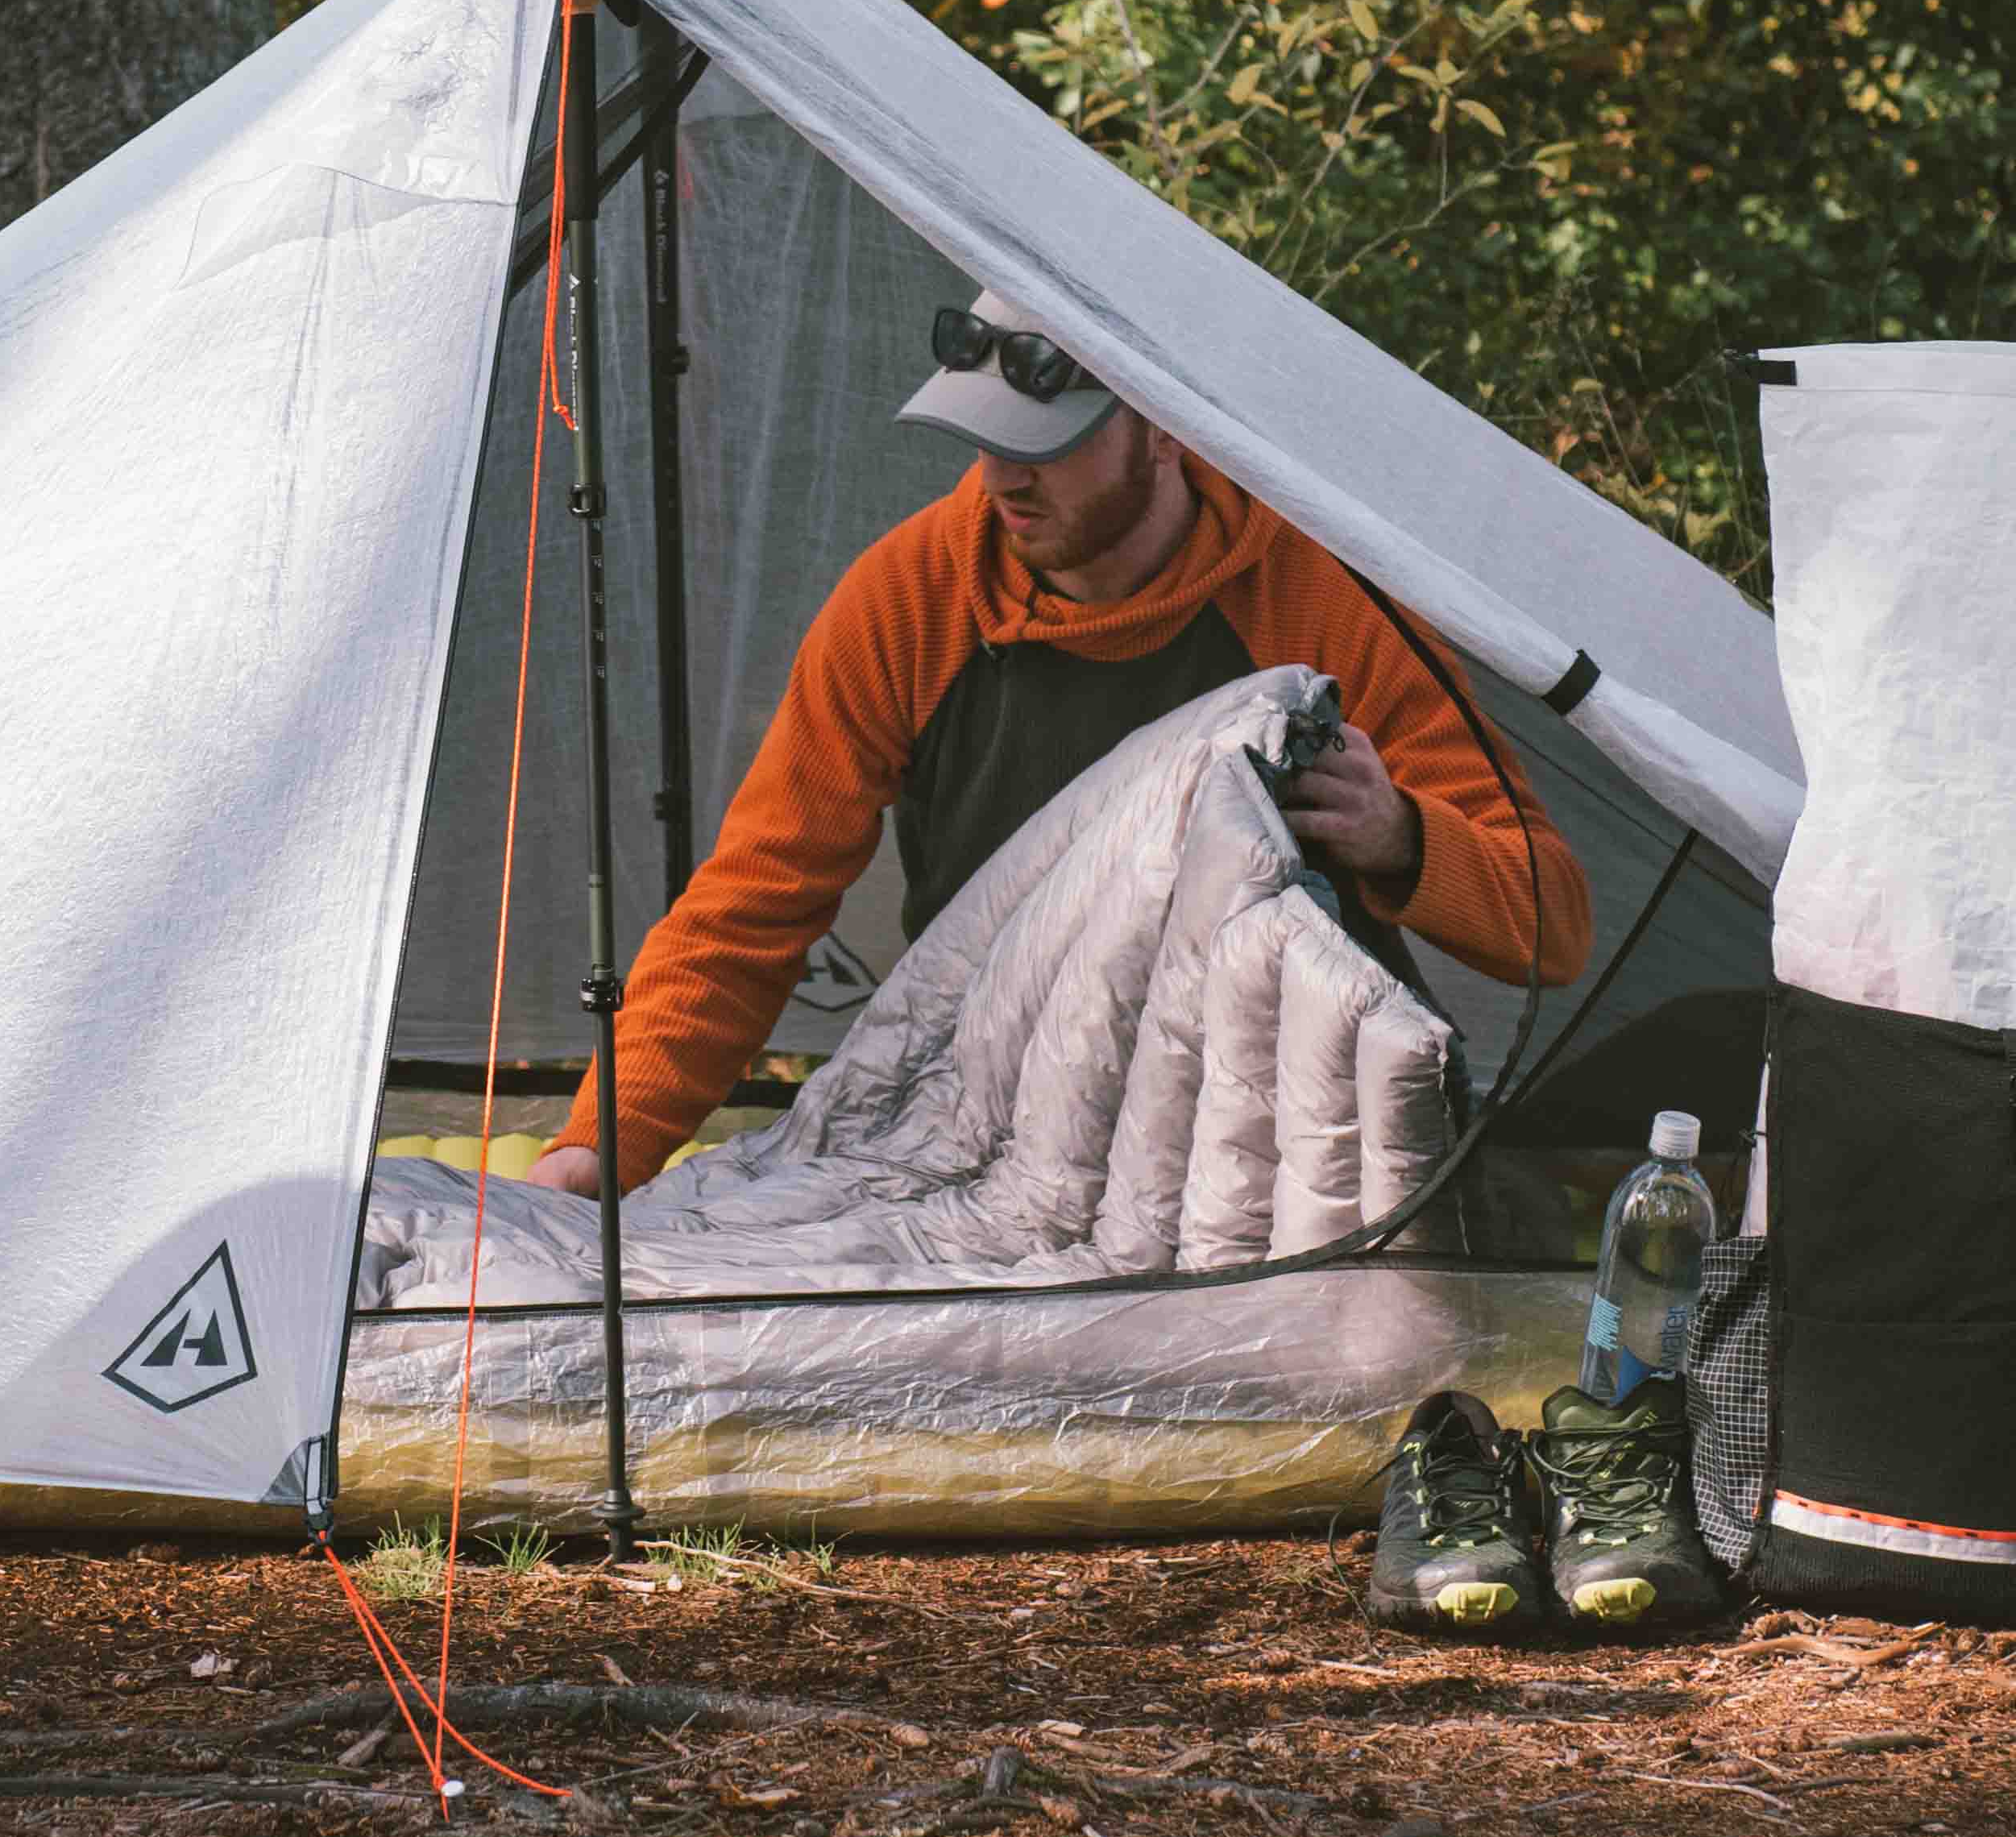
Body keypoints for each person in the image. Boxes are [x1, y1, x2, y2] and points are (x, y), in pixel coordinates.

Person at [529, 290, 1593, 1197]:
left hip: (1280, 1137)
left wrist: (1402, 837)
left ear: (1167, 424)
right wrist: (594, 1151)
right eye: (982, 438)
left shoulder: (1323, 598)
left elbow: (1553, 922)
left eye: (1045, 443)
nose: (1003, 479)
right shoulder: (910, 598)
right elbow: (749, 911)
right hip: (1006, 1120)